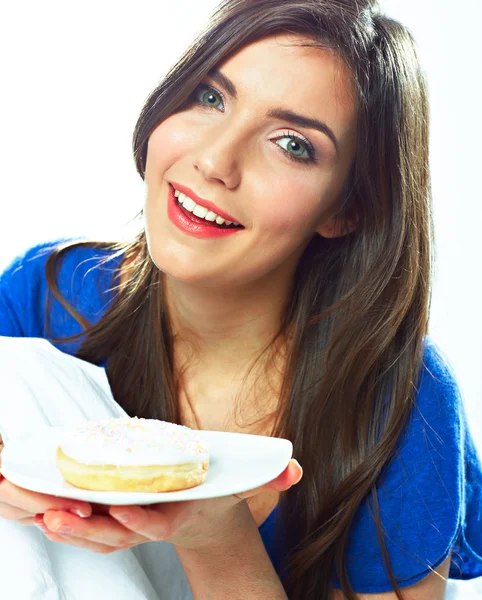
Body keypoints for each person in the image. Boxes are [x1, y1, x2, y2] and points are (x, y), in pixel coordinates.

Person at [0, 0, 481, 598]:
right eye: (209, 97)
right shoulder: (46, 300)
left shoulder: (396, 397)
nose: (215, 161)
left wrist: (217, 539)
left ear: (347, 207)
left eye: (292, 144)